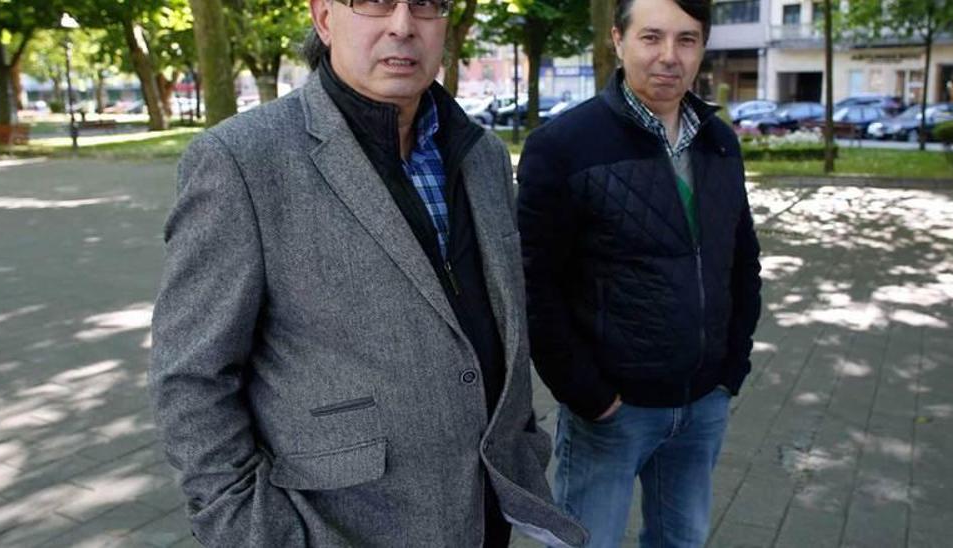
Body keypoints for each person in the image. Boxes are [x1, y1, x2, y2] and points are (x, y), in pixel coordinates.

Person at [148, 0, 587, 544]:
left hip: (483, 514)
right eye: (375, 2)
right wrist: (252, 531)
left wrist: (521, 441)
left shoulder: (484, 157)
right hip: (336, 527)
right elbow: (191, 377)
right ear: (325, 17)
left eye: (426, 5)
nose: (403, 24)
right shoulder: (241, 162)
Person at [515, 0, 763, 544]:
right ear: (617, 39)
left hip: (703, 404)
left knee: (682, 540)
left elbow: (742, 261)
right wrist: (587, 393)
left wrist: (730, 370)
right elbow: (534, 286)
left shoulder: (719, 143)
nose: (669, 57)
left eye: (687, 40)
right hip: (612, 412)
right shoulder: (561, 147)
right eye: (652, 37)